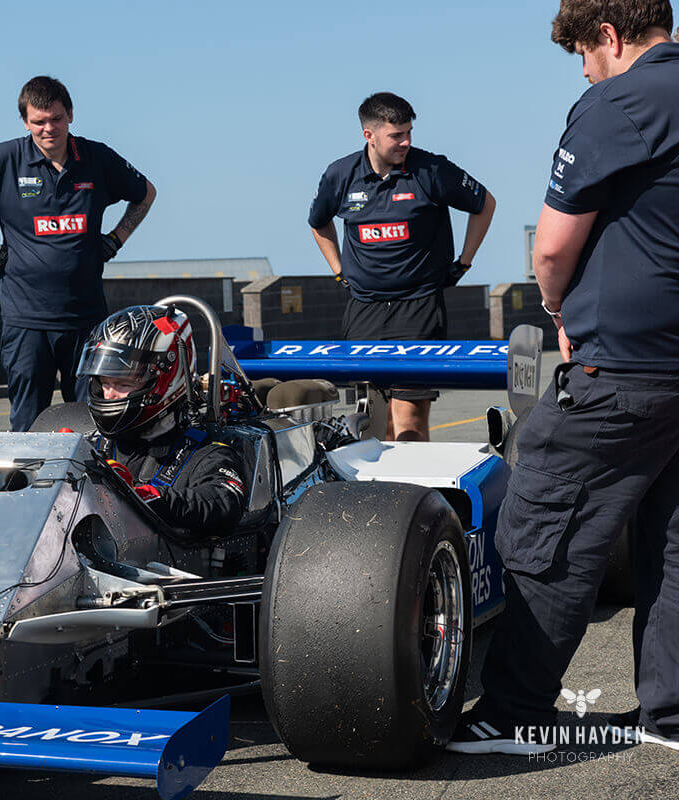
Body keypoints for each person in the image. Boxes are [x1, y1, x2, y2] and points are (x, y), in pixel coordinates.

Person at [449, 0, 679, 755]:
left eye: (583, 52)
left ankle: (511, 711)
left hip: (622, 366)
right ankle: (669, 718)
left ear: (610, 35)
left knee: (548, 527)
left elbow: (551, 248)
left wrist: (556, 308)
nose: (583, 70)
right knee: (672, 544)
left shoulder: (619, 100)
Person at [0, 75, 157, 433]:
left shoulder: (97, 158)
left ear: (71, 115)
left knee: (95, 426)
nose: (49, 129)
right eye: (39, 122)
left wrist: (116, 239)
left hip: (87, 320)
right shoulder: (2, 160)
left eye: (56, 119)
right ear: (25, 121)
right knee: (28, 431)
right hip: (27, 322)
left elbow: (146, 192)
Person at [308, 92, 497, 441]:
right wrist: (339, 270)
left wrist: (465, 262)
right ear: (370, 135)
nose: (406, 141)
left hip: (419, 307)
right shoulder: (340, 175)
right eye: (397, 135)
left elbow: (485, 204)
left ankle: (412, 494)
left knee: (408, 420)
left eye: (409, 132)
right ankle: (373, 496)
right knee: (372, 425)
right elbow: (319, 223)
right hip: (364, 309)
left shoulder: (431, 170)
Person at [77, 305, 246, 537]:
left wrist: (144, 496)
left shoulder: (205, 454)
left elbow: (224, 501)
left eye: (123, 384)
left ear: (166, 381)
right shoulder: (92, 445)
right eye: (105, 383)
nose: (110, 395)